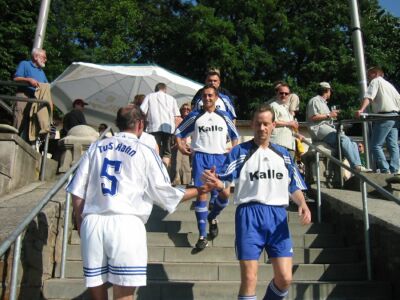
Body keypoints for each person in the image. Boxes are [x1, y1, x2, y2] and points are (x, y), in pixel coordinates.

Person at [66, 105, 206, 300]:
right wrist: (201, 190)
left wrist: (80, 221)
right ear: (141, 125)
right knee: (124, 293)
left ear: (118, 123)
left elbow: (77, 189)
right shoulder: (145, 151)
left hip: (93, 221)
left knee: (97, 290)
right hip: (127, 223)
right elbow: (166, 194)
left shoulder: (96, 147)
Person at [202, 104, 311, 300]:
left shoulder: (284, 155)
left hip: (277, 217)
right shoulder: (240, 152)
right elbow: (225, 180)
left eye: (266, 124)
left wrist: (302, 204)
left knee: (285, 278)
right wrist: (217, 183)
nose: (262, 128)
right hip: (249, 216)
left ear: (273, 126)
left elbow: (293, 185)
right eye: (258, 124)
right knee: (250, 278)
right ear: (252, 125)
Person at [175, 84, 239, 249]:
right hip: (201, 157)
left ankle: (212, 216)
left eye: (210, 95)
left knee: (224, 193)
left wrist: (233, 148)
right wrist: (181, 146)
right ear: (201, 98)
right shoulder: (195, 116)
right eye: (205, 96)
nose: (207, 98)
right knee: (202, 192)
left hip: (220, 158)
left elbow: (235, 136)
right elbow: (179, 132)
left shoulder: (224, 116)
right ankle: (202, 235)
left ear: (216, 98)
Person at [306, 82, 368, 172]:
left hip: (326, 129)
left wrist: (331, 116)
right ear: (327, 91)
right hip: (319, 129)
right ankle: (355, 166)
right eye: (330, 91)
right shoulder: (315, 100)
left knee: (353, 143)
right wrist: (329, 115)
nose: (330, 93)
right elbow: (313, 117)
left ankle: (358, 165)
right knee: (343, 139)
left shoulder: (323, 103)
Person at [355, 67, 400, 174]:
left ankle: (385, 169)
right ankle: (396, 169)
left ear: (374, 74)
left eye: (369, 75)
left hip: (384, 116)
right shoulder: (390, 85)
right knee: (393, 144)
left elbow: (369, 96)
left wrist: (361, 110)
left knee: (375, 145)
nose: (368, 78)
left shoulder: (376, 81)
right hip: (395, 116)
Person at [140, 83, 180, 169]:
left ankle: (154, 170)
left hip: (153, 127)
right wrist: (175, 133)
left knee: (154, 149)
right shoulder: (172, 99)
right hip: (169, 129)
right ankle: (164, 170)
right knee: (167, 152)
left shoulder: (150, 96)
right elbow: (177, 117)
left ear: (155, 89)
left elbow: (142, 111)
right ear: (165, 90)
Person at [13, 48, 50, 140]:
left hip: (36, 100)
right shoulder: (24, 64)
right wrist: (28, 80)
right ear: (36, 56)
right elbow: (16, 79)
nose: (45, 60)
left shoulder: (42, 72)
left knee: (32, 124)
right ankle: (14, 141)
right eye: (44, 57)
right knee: (19, 121)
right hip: (23, 96)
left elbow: (47, 87)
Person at [268, 83, 298, 158]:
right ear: (277, 93)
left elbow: (290, 125)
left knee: (289, 169)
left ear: (289, 95)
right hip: (278, 143)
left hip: (290, 145)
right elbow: (272, 122)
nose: (284, 95)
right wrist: (289, 123)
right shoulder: (273, 105)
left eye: (286, 93)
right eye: (281, 93)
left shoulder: (287, 108)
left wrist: (297, 131)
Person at [171, 103, 192, 185]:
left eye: (188, 109)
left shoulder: (192, 119)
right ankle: (175, 182)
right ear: (181, 110)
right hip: (178, 145)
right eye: (184, 109)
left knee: (186, 166)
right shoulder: (177, 119)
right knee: (176, 165)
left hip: (188, 145)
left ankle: (186, 183)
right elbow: (175, 132)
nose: (186, 110)